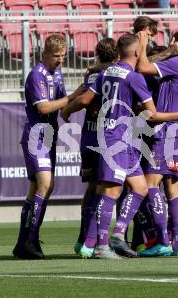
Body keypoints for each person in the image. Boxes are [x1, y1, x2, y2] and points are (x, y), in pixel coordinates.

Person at [61, 34, 178, 259]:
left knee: (140, 187)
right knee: (111, 191)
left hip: (123, 139)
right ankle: (102, 246)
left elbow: (84, 100)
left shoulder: (106, 72)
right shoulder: (133, 78)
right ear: (135, 52)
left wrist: (65, 111)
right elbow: (152, 115)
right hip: (117, 140)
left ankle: (118, 234)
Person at [13, 34, 83, 259]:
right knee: (45, 184)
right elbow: (43, 108)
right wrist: (72, 97)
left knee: (39, 189)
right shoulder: (36, 75)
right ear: (44, 54)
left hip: (49, 135)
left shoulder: (57, 73)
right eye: (56, 56)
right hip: (36, 136)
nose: (60, 60)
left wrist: (70, 110)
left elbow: (62, 104)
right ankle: (31, 239)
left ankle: (23, 242)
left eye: (63, 56)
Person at [137, 30, 178, 257]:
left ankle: (162, 240)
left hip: (167, 131)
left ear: (177, 43)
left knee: (150, 184)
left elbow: (142, 67)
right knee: (172, 187)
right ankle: (177, 245)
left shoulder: (177, 63)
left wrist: (143, 45)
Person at [61, 38, 118, 254]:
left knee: (91, 189)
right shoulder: (117, 74)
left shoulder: (91, 74)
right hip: (108, 137)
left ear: (97, 54)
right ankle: (94, 242)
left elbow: (83, 97)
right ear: (117, 56)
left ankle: (82, 239)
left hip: (88, 136)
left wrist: (67, 109)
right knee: (107, 189)